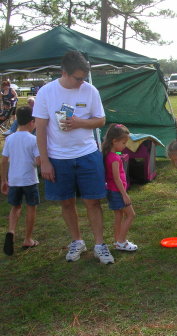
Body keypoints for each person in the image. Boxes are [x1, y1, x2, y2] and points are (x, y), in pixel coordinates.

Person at [33, 50, 114, 264]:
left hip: (87, 154)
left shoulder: (90, 91)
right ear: (64, 73)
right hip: (58, 158)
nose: (81, 83)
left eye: (84, 78)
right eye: (78, 78)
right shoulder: (46, 92)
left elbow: (101, 120)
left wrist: (80, 123)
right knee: (66, 203)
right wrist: (45, 161)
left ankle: (99, 245)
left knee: (93, 202)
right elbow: (40, 129)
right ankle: (77, 241)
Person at [2, 106, 40, 256]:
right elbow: (38, 162)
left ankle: (11, 231)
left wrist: (3, 179)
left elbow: (4, 161)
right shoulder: (33, 140)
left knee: (15, 207)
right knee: (31, 207)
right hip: (29, 180)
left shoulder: (10, 138)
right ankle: (27, 239)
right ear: (32, 122)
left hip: (14, 180)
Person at [102, 123, 137, 251]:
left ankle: (117, 240)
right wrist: (124, 194)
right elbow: (117, 178)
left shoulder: (109, 155)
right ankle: (121, 242)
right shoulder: (115, 158)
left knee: (118, 216)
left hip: (111, 190)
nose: (125, 145)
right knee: (131, 215)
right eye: (123, 142)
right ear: (114, 141)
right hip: (117, 191)